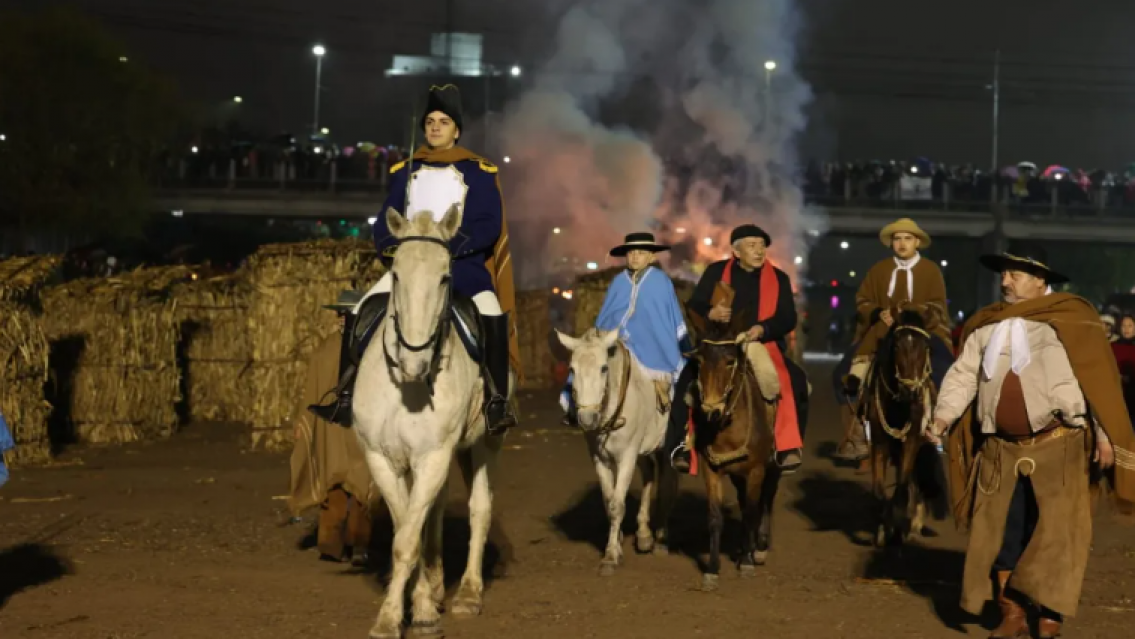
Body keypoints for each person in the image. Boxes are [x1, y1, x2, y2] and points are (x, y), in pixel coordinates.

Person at [927, 243, 1135, 639]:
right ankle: (1013, 613)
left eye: (1015, 274)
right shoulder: (985, 324)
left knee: (1057, 530)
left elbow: (1098, 381)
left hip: (1059, 442)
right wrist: (942, 416)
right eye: (1003, 274)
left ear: (1040, 280)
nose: (1005, 281)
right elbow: (964, 374)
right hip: (1000, 448)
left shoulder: (1072, 318)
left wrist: (1105, 435)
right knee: (1002, 531)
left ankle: (1050, 614)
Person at [307, 84, 520, 433]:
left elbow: (489, 225)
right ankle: (344, 397)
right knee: (360, 310)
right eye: (430, 122)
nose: (435, 128)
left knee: (491, 313)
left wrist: (447, 248)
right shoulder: (404, 171)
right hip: (409, 269)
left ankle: (497, 402)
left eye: (443, 122)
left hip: (461, 268)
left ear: (456, 130)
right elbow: (385, 222)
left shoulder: (481, 172)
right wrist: (398, 250)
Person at [666, 224, 809, 474]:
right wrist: (710, 312)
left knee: (795, 381)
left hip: (759, 343)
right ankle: (683, 444)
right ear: (736, 250)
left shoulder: (780, 279)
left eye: (762, 245)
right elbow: (696, 305)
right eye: (752, 245)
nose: (759, 250)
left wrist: (762, 329)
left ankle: (787, 447)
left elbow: (788, 318)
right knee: (686, 381)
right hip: (719, 343)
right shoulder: (715, 273)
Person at [834, 217, 953, 461]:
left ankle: (939, 429)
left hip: (922, 334)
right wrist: (878, 313)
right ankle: (856, 434)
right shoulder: (879, 270)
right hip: (881, 333)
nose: (901, 243)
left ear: (917, 242)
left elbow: (938, 306)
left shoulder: (930, 270)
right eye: (897, 239)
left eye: (907, 238)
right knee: (843, 374)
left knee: (945, 372)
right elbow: (862, 301)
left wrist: (910, 311)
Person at [559, 232, 690, 422]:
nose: (635, 256)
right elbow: (607, 315)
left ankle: (676, 429)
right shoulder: (619, 282)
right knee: (586, 362)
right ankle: (576, 406)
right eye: (631, 253)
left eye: (641, 252)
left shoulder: (660, 281)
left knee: (675, 386)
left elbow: (666, 317)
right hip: (614, 339)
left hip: (652, 343)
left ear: (651, 256)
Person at [289, 292, 378, 564]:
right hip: (331, 429)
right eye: (340, 313)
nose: (343, 318)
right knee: (332, 483)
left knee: (364, 485)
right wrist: (304, 423)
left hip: (361, 428)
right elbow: (313, 390)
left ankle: (360, 543)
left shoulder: (372, 349)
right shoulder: (326, 350)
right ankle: (330, 543)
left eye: (349, 313)